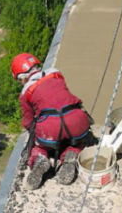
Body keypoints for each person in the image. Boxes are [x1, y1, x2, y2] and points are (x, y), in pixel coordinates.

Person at [11, 53, 93, 190]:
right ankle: (71, 154)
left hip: (51, 128)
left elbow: (28, 122)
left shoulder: (26, 91)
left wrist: (39, 135)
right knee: (75, 141)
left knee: (41, 146)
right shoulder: (55, 73)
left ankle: (40, 159)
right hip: (77, 118)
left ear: (23, 77)